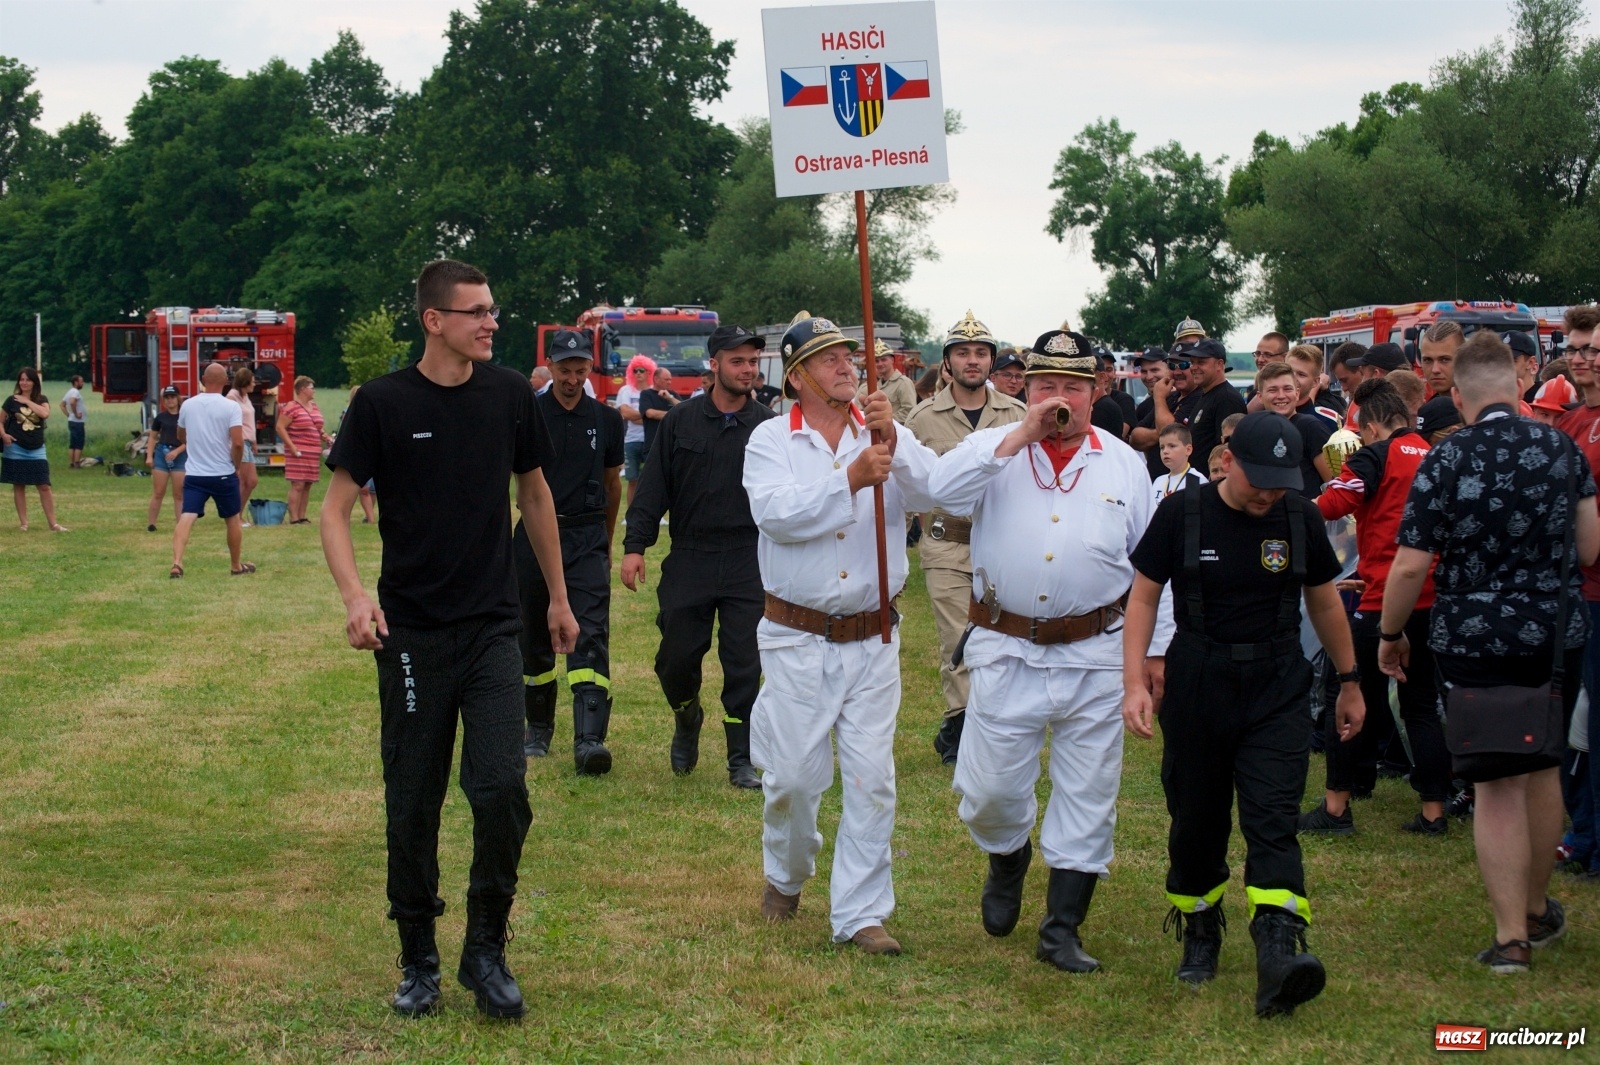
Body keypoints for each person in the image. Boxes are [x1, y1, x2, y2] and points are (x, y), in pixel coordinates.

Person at [320, 258, 578, 1019]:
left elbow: (534, 493)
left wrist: (559, 597)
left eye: (492, 309)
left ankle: (486, 947)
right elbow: (335, 509)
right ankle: (418, 957)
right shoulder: (381, 403)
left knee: (501, 788)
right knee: (413, 800)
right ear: (435, 320)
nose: (491, 322)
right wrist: (354, 596)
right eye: (476, 312)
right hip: (410, 635)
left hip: (494, 624)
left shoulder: (509, 396)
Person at [931, 329, 1165, 974]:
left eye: (1072, 388)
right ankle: (1008, 859)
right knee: (987, 793)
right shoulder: (993, 447)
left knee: (1088, 791)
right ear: (1023, 389)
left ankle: (1062, 927)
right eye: (1044, 387)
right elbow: (943, 496)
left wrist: (1152, 657)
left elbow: (1151, 569)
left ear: (1096, 393)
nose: (1057, 400)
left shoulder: (1123, 462)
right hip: (1007, 647)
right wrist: (1015, 439)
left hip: (1097, 651)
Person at [1124, 412, 1363, 1016]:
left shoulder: (1299, 515)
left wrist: (1352, 681)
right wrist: (1135, 680)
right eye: (1259, 479)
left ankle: (1279, 947)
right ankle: (1201, 926)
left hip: (1276, 683)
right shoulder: (1183, 513)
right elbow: (1144, 596)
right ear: (1226, 461)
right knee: (1196, 818)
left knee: (1272, 814)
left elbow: (1325, 601)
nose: (1268, 493)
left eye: (1281, 482)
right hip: (1200, 680)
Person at [1380, 332, 1598, 974]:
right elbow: (1589, 548)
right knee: (1542, 768)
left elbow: (1411, 565)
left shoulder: (1445, 461)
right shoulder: (1561, 447)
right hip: (1557, 634)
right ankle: (1535, 904)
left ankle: (1511, 940)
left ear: (1459, 395)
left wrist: (1391, 637)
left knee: (1498, 784)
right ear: (1517, 385)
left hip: (1475, 636)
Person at [743, 311, 937, 955]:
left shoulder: (883, 430)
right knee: (794, 778)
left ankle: (861, 912)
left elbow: (936, 490)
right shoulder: (770, 440)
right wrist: (850, 478)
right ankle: (787, 872)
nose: (846, 366)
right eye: (828, 359)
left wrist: (895, 446)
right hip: (796, 635)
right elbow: (777, 517)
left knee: (872, 778)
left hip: (875, 637)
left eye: (848, 356)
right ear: (797, 376)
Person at [622, 324, 776, 788]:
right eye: (737, 361)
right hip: (691, 555)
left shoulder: (768, 426)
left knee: (744, 660)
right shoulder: (679, 422)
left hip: (748, 557)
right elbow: (652, 491)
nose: (747, 369)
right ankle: (686, 716)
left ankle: (740, 758)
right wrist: (634, 548)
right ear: (714, 366)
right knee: (675, 657)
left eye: (753, 361)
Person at [1302, 379, 1449, 836]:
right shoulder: (1434, 454)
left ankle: (1336, 807)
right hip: (1431, 596)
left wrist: (1289, 509)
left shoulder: (1374, 455)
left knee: (1345, 693)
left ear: (1371, 427)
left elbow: (1333, 502)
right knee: (1421, 704)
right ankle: (1433, 812)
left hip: (1383, 595)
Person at [903, 311, 1026, 766]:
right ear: (948, 362)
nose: (971, 361)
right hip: (947, 543)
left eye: (980, 353)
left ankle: (986, 722)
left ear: (991, 362)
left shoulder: (1017, 415)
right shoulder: (922, 418)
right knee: (958, 636)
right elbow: (906, 484)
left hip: (1002, 543)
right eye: (962, 353)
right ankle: (962, 723)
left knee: (1001, 635)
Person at [517, 329, 625, 774]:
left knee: (590, 632)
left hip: (585, 538)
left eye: (581, 370)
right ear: (551, 366)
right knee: (532, 632)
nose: (572, 379)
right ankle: (538, 729)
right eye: (565, 370)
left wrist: (607, 539)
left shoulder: (606, 419)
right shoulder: (528, 414)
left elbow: (613, 483)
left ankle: (589, 740)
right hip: (534, 540)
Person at [1553, 304, 1600, 878]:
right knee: (1573, 726)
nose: (1583, 359)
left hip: (1596, 589)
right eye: (1574, 349)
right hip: (1568, 592)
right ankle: (1584, 830)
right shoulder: (1568, 423)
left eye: (1592, 349)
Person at [171, 362, 252, 577]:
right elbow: (237, 442)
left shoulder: (188, 404)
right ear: (226, 382)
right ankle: (235, 566)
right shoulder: (230, 406)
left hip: (195, 474)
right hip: (223, 473)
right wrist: (235, 465)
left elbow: (180, 435)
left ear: (203, 381)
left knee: (187, 516)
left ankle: (177, 562)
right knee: (232, 519)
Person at [1256, 361, 1332, 499]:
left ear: (1297, 393)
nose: (1281, 395)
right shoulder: (1258, 432)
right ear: (1260, 396)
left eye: (1287, 389)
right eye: (1273, 390)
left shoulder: (1311, 427)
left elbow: (1333, 484)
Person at [2, 367, 65, 532]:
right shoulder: (11, 401)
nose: (24, 383)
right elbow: (0, 420)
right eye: (21, 380)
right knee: (19, 484)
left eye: (27, 379)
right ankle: (24, 524)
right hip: (15, 447)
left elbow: (45, 414)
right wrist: (4, 435)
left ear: (34, 382)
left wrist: (27, 401)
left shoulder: (42, 399)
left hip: (37, 448)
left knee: (44, 485)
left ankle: (53, 524)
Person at [1179, 338, 1247, 466]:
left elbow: (1226, 451)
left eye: (1201, 362)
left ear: (1219, 365)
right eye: (1192, 362)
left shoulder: (1227, 399)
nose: (1194, 367)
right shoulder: (1206, 395)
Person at [277, 376, 330, 525]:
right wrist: (292, 446)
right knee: (298, 484)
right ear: (302, 389)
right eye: (312, 388)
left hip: (313, 452)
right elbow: (280, 427)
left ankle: (302, 516)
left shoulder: (314, 406)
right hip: (298, 452)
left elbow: (317, 427)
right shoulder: (291, 407)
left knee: (308, 484)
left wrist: (326, 438)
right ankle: (294, 518)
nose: (314, 391)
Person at [1128, 347, 1180, 479]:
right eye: (1144, 371)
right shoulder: (1144, 406)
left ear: (1169, 370)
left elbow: (1166, 432)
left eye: (1155, 370)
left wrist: (1153, 436)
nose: (1149, 376)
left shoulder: (1182, 398)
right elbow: (1135, 440)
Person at [145, 386, 187, 531]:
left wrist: (177, 451)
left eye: (173, 397)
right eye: (167, 398)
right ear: (164, 400)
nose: (170, 400)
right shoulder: (161, 417)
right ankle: (151, 523)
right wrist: (149, 456)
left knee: (178, 493)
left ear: (178, 398)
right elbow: (152, 436)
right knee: (158, 492)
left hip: (180, 455)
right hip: (162, 453)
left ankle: (181, 524)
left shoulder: (184, 416)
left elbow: (192, 440)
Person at [1416, 319, 1465, 435]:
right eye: (1428, 360)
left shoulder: (1480, 409)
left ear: (1463, 359)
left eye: (1444, 360)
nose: (1435, 370)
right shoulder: (1429, 407)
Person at [617, 356, 653, 505]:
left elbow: (660, 415)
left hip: (651, 440)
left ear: (649, 372)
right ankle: (630, 515)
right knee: (633, 480)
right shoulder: (625, 390)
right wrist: (649, 414)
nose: (638, 373)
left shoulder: (654, 391)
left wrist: (638, 415)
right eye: (634, 370)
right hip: (631, 440)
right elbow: (625, 414)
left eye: (641, 370)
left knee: (651, 481)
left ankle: (654, 515)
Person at [227, 368, 260, 526]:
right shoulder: (232, 397)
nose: (254, 384)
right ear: (245, 382)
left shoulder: (246, 397)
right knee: (243, 480)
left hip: (248, 441)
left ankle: (236, 513)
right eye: (252, 381)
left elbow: (249, 420)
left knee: (251, 481)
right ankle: (235, 516)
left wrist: (254, 441)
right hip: (239, 441)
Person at [858, 339, 918, 422]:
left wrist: (885, 420)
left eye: (883, 360)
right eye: (877, 361)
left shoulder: (904, 383)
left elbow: (910, 412)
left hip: (898, 432)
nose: (880, 364)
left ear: (892, 360)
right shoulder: (876, 385)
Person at [1152, 424, 1205, 501]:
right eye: (1162, 447)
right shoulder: (1158, 481)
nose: (1165, 451)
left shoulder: (1198, 480)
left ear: (1188, 450)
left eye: (1172, 446)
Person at [639, 366, 680, 459]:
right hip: (653, 445)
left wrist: (670, 398)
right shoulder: (646, 394)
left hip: (672, 445)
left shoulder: (673, 395)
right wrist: (673, 414)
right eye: (666, 379)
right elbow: (650, 413)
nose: (669, 382)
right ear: (656, 379)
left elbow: (684, 410)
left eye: (670, 380)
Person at [61, 373, 86, 468]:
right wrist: (75, 414)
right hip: (77, 422)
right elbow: (72, 402)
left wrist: (68, 414)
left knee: (72, 443)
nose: (82, 383)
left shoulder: (69, 391)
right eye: (81, 382)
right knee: (79, 443)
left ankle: (71, 463)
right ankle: (77, 463)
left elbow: (62, 405)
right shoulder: (75, 392)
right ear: (76, 383)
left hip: (71, 421)